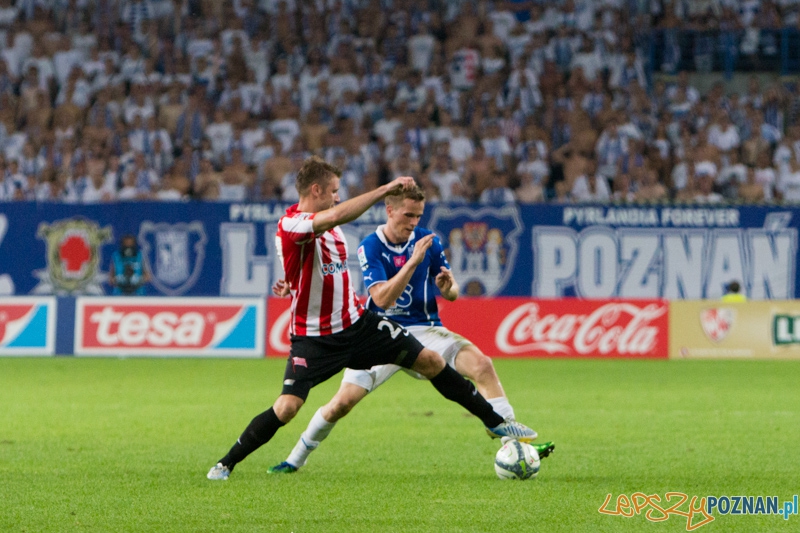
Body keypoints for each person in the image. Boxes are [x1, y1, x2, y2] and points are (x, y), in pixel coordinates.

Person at [207, 157, 536, 480]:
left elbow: (313, 269)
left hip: (359, 325)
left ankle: (496, 422)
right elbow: (332, 219)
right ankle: (227, 463)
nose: (338, 196)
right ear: (316, 190)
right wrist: (385, 189)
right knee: (288, 408)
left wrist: (291, 284)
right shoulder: (292, 223)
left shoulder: (333, 232)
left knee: (432, 361)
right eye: (335, 190)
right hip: (315, 339)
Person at [267, 186, 554, 474]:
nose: (414, 222)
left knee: (482, 365)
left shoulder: (428, 241)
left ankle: (514, 443)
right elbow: (381, 299)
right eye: (408, 215)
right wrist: (413, 262)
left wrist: (448, 288)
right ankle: (295, 459)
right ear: (389, 211)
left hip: (425, 329)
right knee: (341, 404)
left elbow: (452, 292)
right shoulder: (371, 246)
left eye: (418, 215)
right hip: (379, 333)